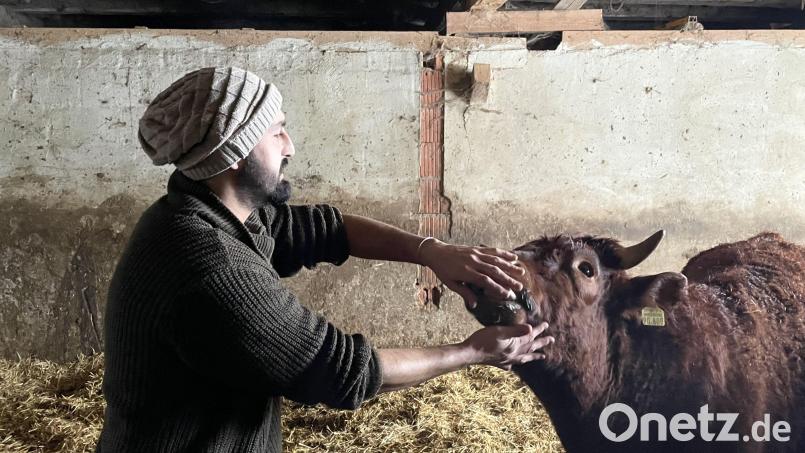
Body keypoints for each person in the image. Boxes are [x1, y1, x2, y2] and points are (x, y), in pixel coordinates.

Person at [96, 66, 554, 452]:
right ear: (234, 154)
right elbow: (341, 371)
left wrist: (431, 252)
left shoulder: (210, 211)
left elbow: (325, 229)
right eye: (276, 132)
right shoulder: (211, 267)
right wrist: (473, 351)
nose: (290, 146)